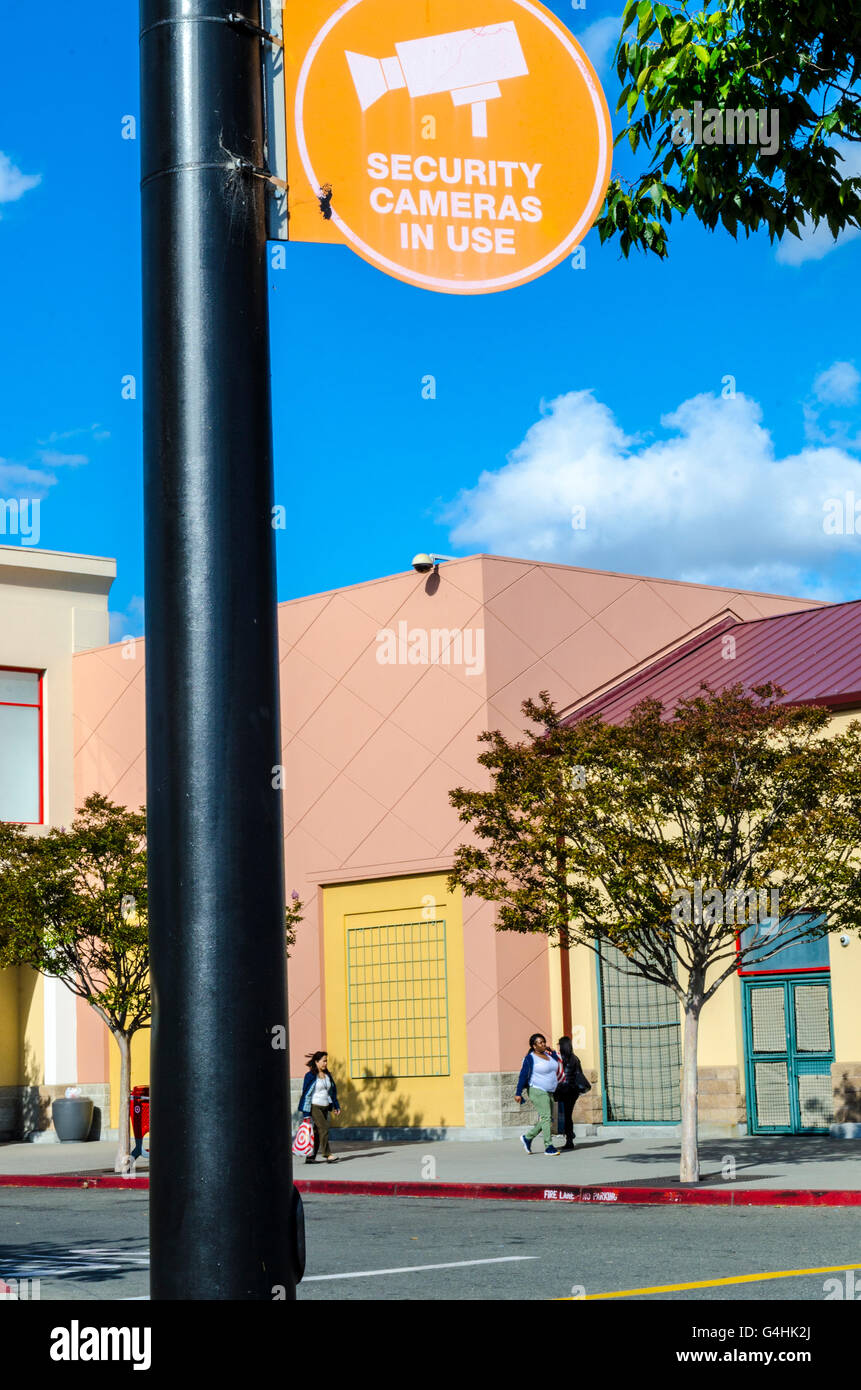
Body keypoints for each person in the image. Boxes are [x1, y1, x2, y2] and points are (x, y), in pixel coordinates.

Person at [514, 1032, 561, 1156]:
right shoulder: (530, 1058)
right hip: (537, 1090)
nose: (543, 1044)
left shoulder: (549, 1056)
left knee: (548, 1119)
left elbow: (555, 1064)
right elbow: (523, 1075)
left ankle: (527, 1137)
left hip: (549, 1091)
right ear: (534, 1046)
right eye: (540, 1042)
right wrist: (518, 1092)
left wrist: (554, 1053)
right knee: (546, 1117)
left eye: (544, 1042)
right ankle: (548, 1146)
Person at [299, 1050, 341, 1164]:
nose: (325, 1063)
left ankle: (310, 1157)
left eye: (326, 1061)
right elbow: (306, 1094)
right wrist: (306, 1114)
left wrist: (336, 1106)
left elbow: (332, 1092)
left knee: (318, 1132)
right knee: (324, 1128)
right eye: (323, 1061)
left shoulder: (328, 1075)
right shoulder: (310, 1076)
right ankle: (328, 1155)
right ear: (317, 1062)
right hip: (314, 1106)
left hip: (325, 1107)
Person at [555, 1034, 589, 1151]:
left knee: (564, 1115)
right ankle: (569, 1137)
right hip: (573, 1090)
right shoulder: (575, 1058)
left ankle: (569, 1137)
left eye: (559, 1045)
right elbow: (579, 1074)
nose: (558, 1047)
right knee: (568, 1115)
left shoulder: (560, 1058)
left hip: (563, 1090)